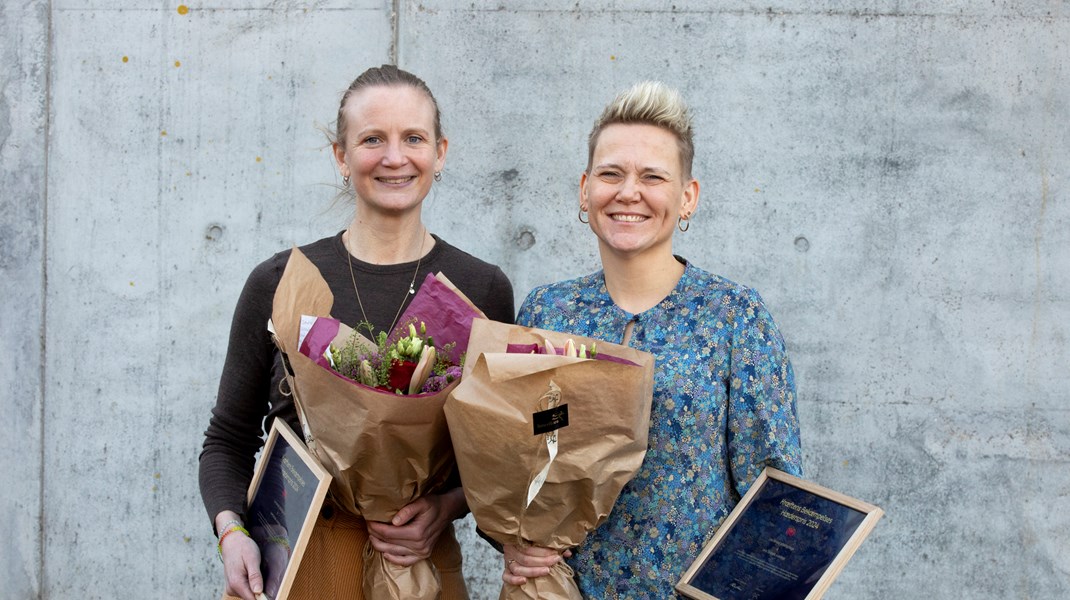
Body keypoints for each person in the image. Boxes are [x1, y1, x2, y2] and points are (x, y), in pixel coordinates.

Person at [199, 64, 515, 600]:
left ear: (440, 152)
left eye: (413, 138)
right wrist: (232, 533)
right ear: (342, 156)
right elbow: (227, 440)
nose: (395, 157)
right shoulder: (281, 283)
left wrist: (445, 507)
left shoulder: (480, 289)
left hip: (420, 562)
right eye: (373, 139)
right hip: (298, 561)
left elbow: (497, 455)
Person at [501, 81, 802, 598]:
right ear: (584, 189)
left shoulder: (734, 317)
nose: (628, 192)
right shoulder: (547, 310)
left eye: (653, 177)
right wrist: (513, 540)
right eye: (611, 173)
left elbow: (773, 492)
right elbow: (517, 456)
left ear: (687, 197)